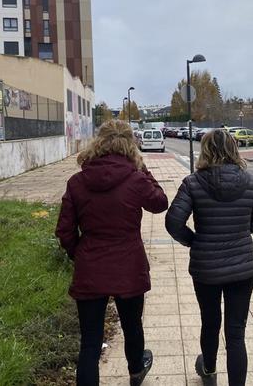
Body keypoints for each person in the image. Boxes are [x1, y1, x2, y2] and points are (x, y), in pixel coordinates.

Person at [56, 120, 168, 386]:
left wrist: (80, 254)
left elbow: (64, 231)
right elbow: (160, 202)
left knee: (90, 343)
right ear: (130, 145)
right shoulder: (136, 178)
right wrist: (143, 170)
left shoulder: (77, 182)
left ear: (99, 143)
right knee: (132, 327)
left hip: (91, 266)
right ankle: (135, 371)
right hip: (128, 265)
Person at [165, 129, 253, 386]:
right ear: (233, 149)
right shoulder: (251, 182)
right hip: (242, 267)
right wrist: (239, 233)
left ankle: (209, 370)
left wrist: (195, 241)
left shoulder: (193, 182)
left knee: (209, 321)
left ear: (206, 150)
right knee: (236, 332)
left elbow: (173, 222)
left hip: (206, 267)